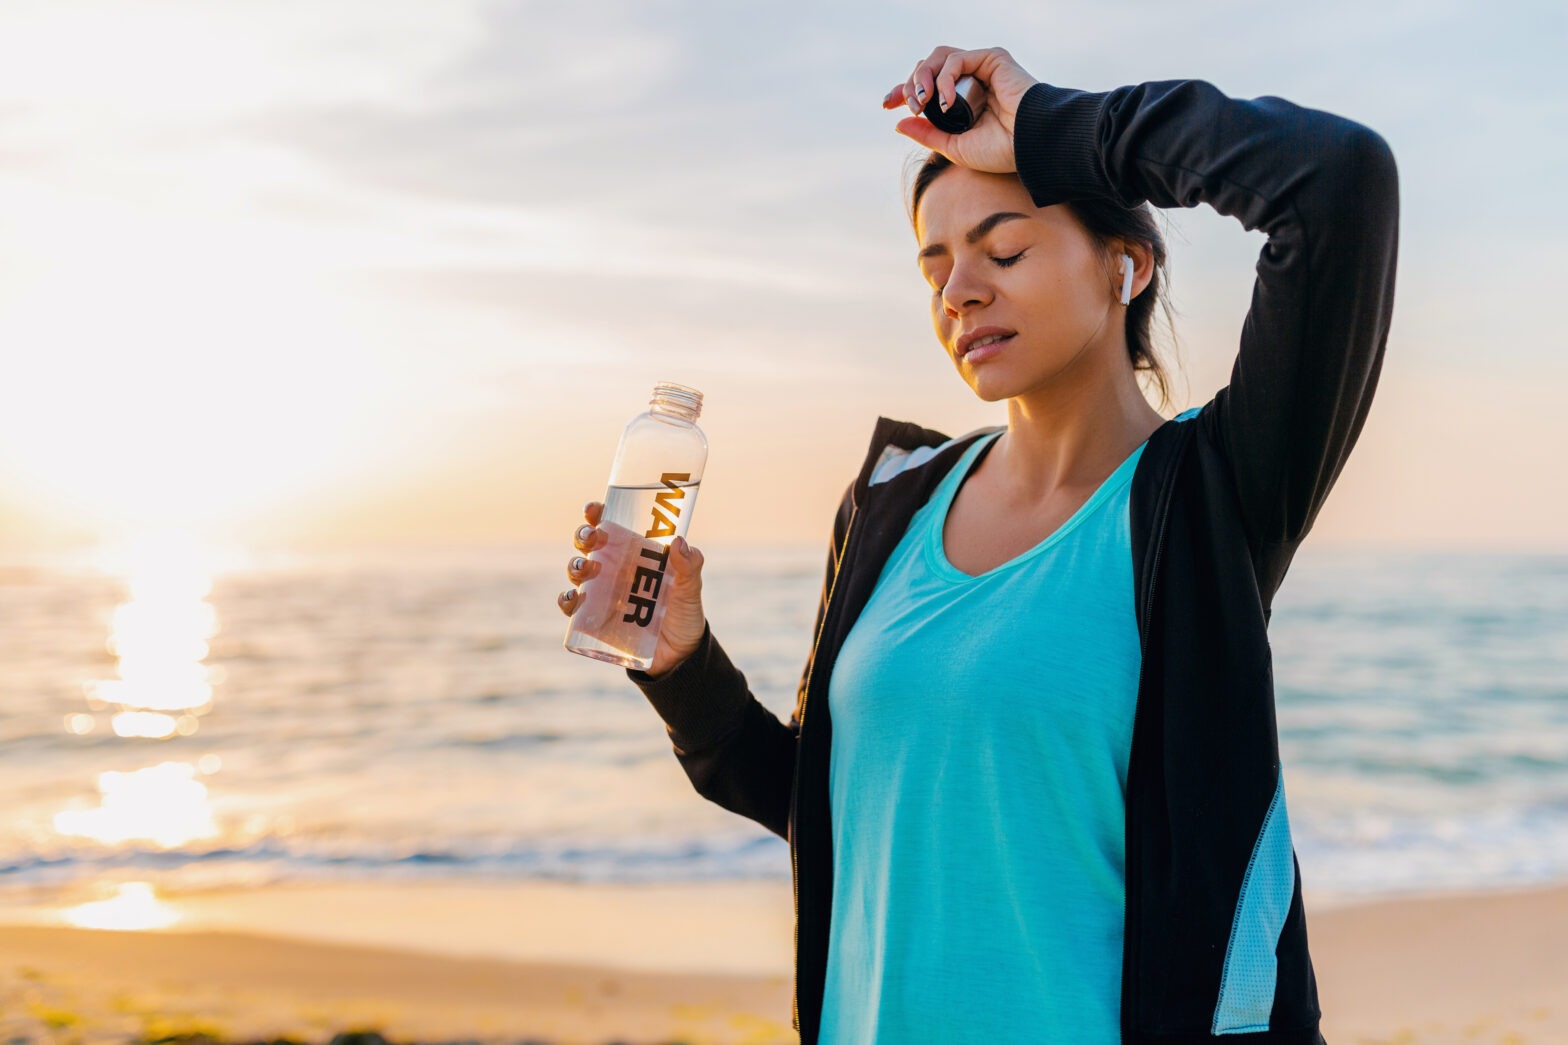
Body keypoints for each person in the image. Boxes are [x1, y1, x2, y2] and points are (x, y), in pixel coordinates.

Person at [558, 44, 1397, 1045]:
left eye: (1001, 250)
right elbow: (837, 813)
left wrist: (1050, 125)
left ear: (1125, 265)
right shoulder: (888, 505)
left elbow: (1334, 182)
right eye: (935, 264)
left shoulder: (1209, 497)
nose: (959, 290)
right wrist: (680, 662)